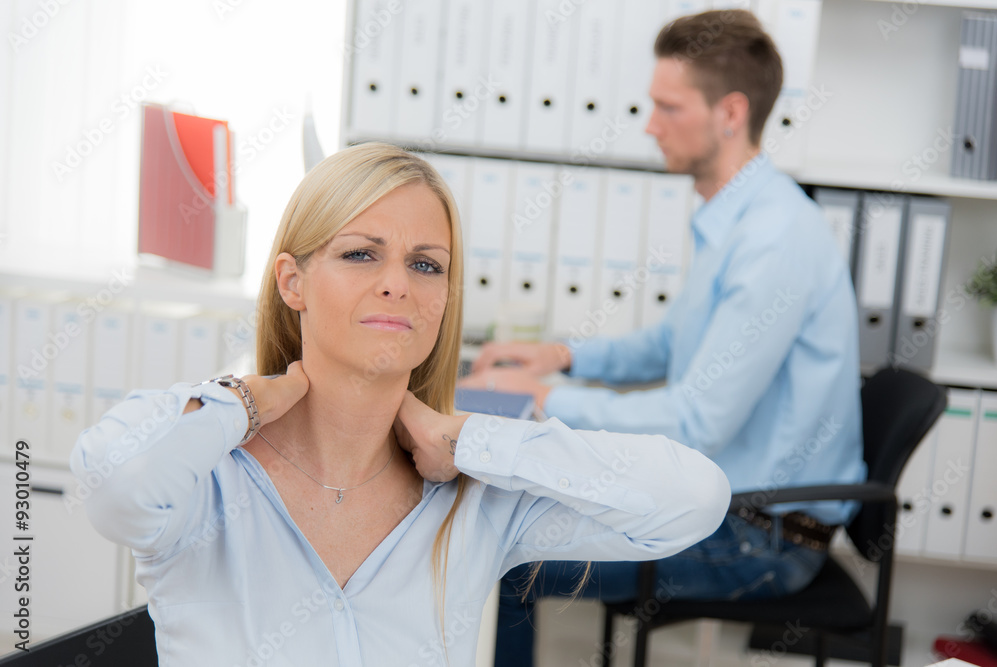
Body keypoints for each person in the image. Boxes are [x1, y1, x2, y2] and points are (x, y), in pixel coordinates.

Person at [70, 142, 730, 665]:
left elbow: (693, 498)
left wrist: (471, 438)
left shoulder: (474, 498)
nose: (397, 285)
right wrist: (241, 402)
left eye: (425, 264)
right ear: (293, 281)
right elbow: (116, 487)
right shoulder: (204, 477)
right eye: (361, 254)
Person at [461, 10, 866, 667]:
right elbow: (667, 344)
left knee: (507, 561)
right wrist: (563, 356)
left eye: (666, 106)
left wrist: (539, 397)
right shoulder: (737, 216)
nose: (649, 124)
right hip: (730, 505)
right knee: (511, 512)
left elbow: (695, 421)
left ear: (729, 113)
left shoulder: (773, 238)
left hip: (761, 538)